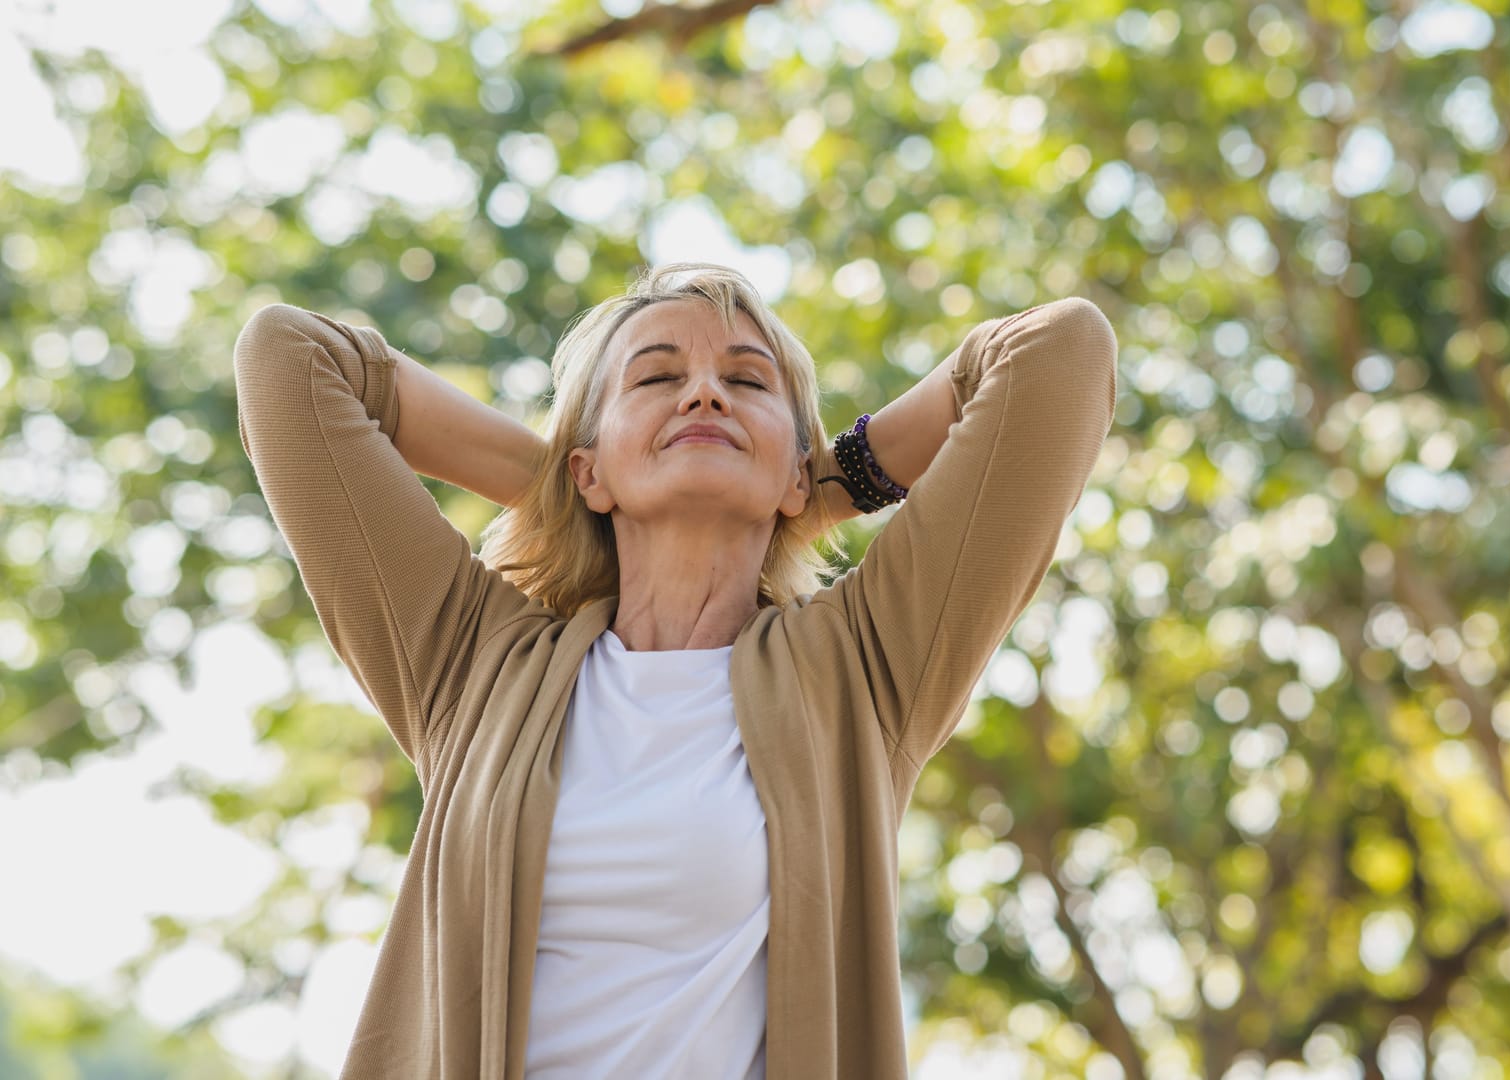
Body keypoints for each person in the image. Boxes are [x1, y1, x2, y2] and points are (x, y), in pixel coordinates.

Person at [231, 261, 1118, 1079]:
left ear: (796, 473)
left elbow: (1058, 354)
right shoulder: (473, 662)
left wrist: (820, 485)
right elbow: (290, 360)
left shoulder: (862, 666)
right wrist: (567, 488)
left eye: (746, 381)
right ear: (588, 468)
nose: (703, 392)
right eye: (656, 379)